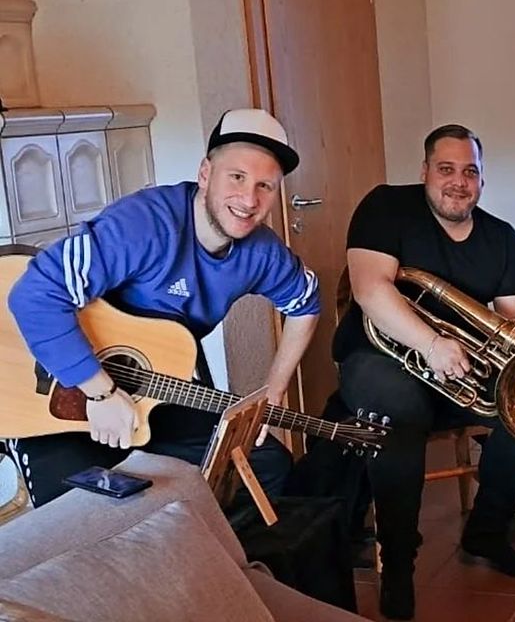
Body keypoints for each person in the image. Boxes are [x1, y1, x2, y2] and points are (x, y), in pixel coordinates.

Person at [6, 108, 320, 508]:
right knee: (80, 518)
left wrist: (274, 389)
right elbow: (33, 295)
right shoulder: (142, 225)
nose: (248, 199)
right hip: (50, 397)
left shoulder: (262, 252)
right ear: (206, 173)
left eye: (265, 186)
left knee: (266, 464)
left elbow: (305, 304)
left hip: (149, 397)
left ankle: (217, 567)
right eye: (236, 177)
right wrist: (100, 394)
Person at [331, 124, 515, 620]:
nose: (458, 181)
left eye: (470, 171)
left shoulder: (502, 239)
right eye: (446, 169)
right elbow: (369, 289)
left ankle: (486, 531)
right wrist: (431, 342)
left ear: (482, 181)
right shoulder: (385, 207)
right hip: (379, 357)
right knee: (400, 414)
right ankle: (399, 562)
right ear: (424, 171)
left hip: (458, 365)